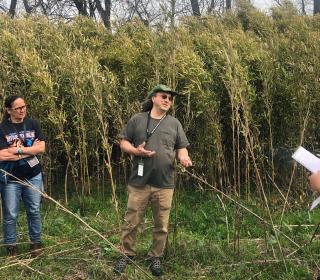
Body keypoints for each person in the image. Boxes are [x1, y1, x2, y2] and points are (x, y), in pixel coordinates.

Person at [113, 84, 192, 276]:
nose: (167, 100)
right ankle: (125, 254)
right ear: (154, 98)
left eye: (170, 98)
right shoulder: (137, 119)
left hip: (164, 183)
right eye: (164, 96)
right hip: (139, 181)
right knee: (132, 220)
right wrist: (135, 150)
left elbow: (181, 146)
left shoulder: (174, 123)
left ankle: (155, 257)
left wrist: (183, 157)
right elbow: (123, 141)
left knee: (162, 224)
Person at [0, 95, 45, 257]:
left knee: (34, 210)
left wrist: (18, 150)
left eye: (24, 106)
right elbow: (2, 156)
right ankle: (11, 247)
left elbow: (41, 148)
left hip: (33, 175)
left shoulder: (33, 124)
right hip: (10, 178)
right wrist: (30, 150)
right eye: (18, 108)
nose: (22, 110)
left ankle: (36, 243)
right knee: (11, 213)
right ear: (8, 110)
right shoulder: (2, 128)